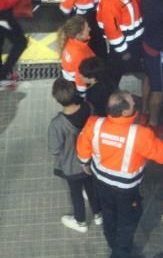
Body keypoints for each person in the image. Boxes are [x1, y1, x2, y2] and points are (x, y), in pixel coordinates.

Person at [77, 91, 163, 258]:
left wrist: (84, 163)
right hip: (126, 189)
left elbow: (83, 148)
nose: (135, 103)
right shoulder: (139, 134)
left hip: (101, 182)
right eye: (132, 103)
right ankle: (120, 253)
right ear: (125, 112)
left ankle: (113, 243)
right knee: (127, 222)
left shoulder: (94, 124)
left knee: (109, 214)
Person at [48, 78, 101, 232]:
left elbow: (54, 149)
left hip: (72, 167)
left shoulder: (57, 124)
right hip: (91, 161)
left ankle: (81, 222)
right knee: (91, 188)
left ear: (57, 99)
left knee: (76, 193)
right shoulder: (89, 107)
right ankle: (98, 214)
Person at [60, 16, 95, 94]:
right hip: (77, 84)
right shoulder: (79, 54)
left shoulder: (70, 41)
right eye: (87, 29)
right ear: (78, 35)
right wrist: (83, 94)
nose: (90, 29)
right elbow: (80, 78)